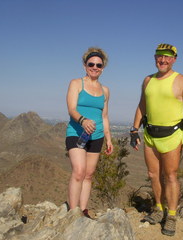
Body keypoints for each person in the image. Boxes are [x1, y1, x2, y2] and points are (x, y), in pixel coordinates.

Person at [130, 43, 183, 236]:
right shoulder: (147, 80)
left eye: (168, 57)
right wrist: (134, 129)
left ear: (174, 59)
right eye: (159, 56)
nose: (163, 60)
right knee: (153, 175)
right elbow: (142, 105)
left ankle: (172, 216)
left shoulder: (182, 81)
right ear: (154, 58)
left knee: (170, 176)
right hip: (150, 135)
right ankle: (159, 209)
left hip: (172, 135)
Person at [65, 47, 113, 218]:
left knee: (88, 174)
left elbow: (105, 116)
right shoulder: (76, 83)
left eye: (98, 65)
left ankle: (84, 210)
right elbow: (71, 109)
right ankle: (72, 212)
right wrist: (83, 121)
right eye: (91, 64)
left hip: (97, 135)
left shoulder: (105, 90)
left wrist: (108, 139)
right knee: (79, 171)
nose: (95, 67)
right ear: (85, 65)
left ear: (103, 68)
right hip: (76, 132)